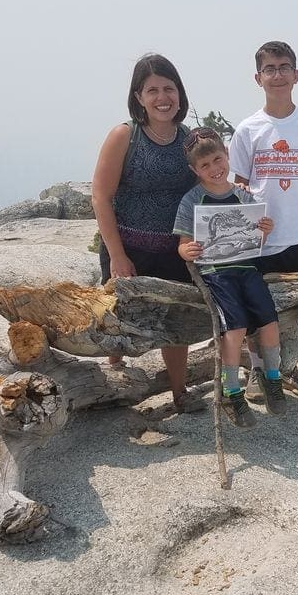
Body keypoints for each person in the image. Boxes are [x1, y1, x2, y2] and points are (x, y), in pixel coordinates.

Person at [90, 53, 206, 414]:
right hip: (128, 247)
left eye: (168, 88)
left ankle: (179, 391)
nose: (162, 97)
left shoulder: (189, 139)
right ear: (138, 96)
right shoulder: (125, 136)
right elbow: (100, 196)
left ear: (179, 93)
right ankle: (114, 376)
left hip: (175, 249)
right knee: (120, 320)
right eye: (152, 90)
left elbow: (210, 187)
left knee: (176, 324)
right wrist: (117, 256)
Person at [229, 41, 298, 401]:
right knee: (258, 310)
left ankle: (286, 369)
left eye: (284, 67)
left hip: (297, 235)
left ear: (297, 75)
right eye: (269, 69)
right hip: (258, 239)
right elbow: (237, 188)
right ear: (258, 78)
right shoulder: (248, 129)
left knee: (291, 310)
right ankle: (257, 371)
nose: (277, 75)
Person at [174, 127, 286, 428]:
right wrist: (189, 250)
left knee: (269, 321)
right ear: (194, 170)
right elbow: (182, 245)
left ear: (226, 155)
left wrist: (265, 229)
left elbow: (256, 238)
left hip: (247, 268)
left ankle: (272, 378)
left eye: (217, 159)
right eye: (205, 165)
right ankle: (231, 391)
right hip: (215, 273)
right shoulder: (192, 201)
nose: (214, 169)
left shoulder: (243, 195)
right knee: (234, 330)